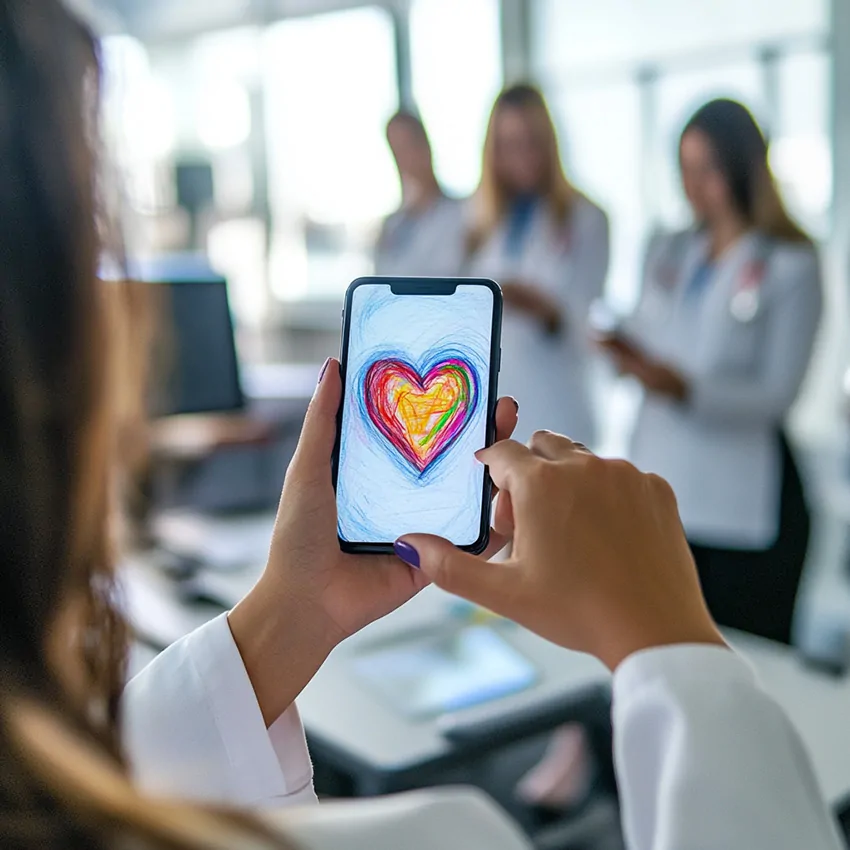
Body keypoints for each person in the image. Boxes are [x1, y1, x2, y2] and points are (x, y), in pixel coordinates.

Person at [2, 4, 845, 850]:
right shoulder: (451, 833)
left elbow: (748, 379)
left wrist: (284, 616)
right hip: (562, 447)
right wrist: (675, 651)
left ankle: (585, 746)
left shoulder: (632, 230)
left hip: (702, 473)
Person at [598, 98, 822, 645]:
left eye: (708, 169)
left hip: (742, 505)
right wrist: (625, 351)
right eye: (685, 169)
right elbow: (650, 327)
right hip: (667, 493)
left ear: (744, 168)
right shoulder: (674, 252)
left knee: (741, 663)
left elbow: (776, 396)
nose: (693, 186)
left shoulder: (789, 263)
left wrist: (685, 389)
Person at [464, 84, 610, 446]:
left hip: (559, 403)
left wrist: (542, 309)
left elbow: (583, 320)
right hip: (495, 408)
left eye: (531, 141)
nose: (523, 155)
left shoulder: (586, 219)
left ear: (549, 142)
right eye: (510, 145)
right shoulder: (479, 223)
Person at [374, 111, 465, 277]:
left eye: (408, 146)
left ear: (426, 145)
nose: (404, 159)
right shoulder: (392, 226)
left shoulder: (463, 214)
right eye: (396, 150)